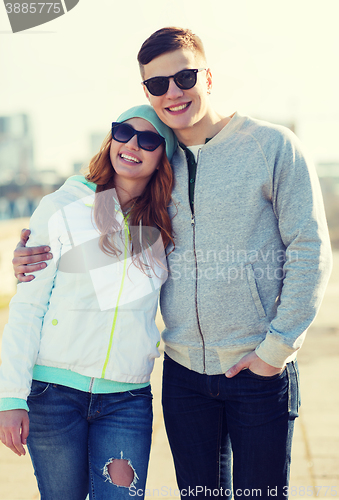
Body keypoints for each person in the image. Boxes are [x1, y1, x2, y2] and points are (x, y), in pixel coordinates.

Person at [11, 28, 332, 499]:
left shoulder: (272, 146)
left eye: (184, 76)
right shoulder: (156, 163)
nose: (173, 92)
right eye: (157, 84)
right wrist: (32, 253)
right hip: (184, 376)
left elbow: (310, 250)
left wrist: (276, 350)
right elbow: (103, 240)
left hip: (257, 369)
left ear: (207, 75)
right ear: (146, 92)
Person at [0, 104, 177, 500]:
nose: (132, 145)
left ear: (163, 156)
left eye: (148, 140)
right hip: (53, 394)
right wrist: (9, 396)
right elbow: (28, 306)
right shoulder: (63, 206)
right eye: (123, 132)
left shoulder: (166, 221)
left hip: (126, 400)